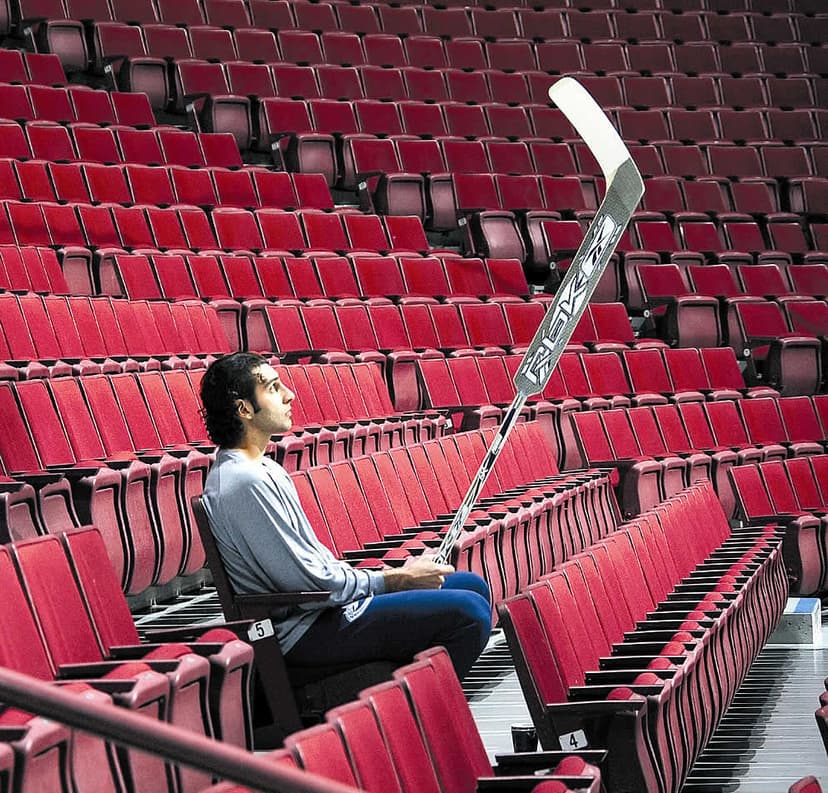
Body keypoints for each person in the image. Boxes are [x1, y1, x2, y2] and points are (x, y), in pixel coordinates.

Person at [199, 352, 492, 681]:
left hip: (322, 610)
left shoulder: (262, 468)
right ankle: (414, 713)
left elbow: (315, 568)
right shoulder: (244, 483)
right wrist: (393, 580)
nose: (288, 394)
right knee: (469, 613)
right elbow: (311, 582)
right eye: (272, 387)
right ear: (244, 409)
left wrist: (389, 579)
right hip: (304, 630)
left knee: (470, 585)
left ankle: (408, 700)